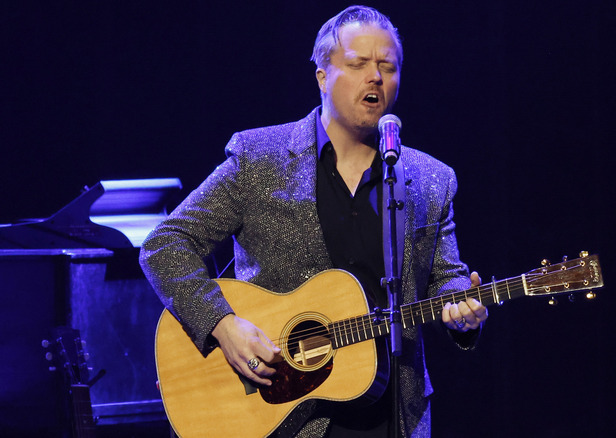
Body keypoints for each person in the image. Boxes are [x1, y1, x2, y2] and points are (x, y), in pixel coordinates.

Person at [140, 5, 487, 437]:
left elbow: (446, 280)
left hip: (394, 415)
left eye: (388, 66)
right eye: (359, 64)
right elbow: (164, 243)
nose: (375, 77)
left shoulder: (431, 180)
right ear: (322, 76)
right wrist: (223, 326)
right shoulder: (259, 158)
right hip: (279, 409)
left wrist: (463, 308)